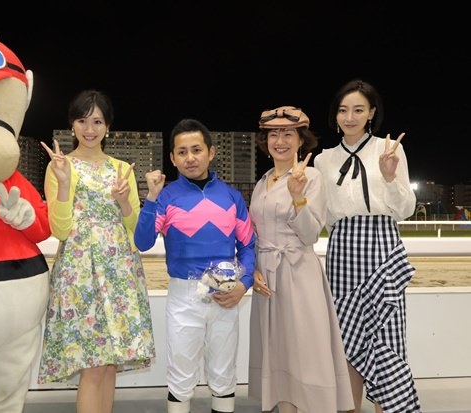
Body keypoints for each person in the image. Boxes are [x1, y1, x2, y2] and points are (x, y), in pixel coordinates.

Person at [37, 89, 156, 413]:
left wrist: (124, 202)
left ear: (108, 126)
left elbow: (135, 228)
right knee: (92, 362)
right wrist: (64, 184)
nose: (90, 129)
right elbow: (60, 230)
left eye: (98, 122)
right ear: (72, 125)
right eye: (82, 121)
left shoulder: (122, 168)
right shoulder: (60, 166)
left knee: (109, 362)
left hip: (120, 269)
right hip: (80, 272)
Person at [134, 118, 256, 413]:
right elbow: (143, 242)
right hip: (183, 295)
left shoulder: (232, 197)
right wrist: (151, 197)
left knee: (224, 373)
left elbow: (248, 246)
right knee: (181, 374)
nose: (190, 158)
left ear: (211, 152)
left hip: (225, 293)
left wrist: (243, 285)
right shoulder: (166, 197)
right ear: (173, 158)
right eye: (182, 152)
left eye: (196, 150)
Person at [313, 79, 421, 413]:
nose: (350, 117)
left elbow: (405, 210)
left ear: (371, 113)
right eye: (343, 110)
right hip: (343, 249)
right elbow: (323, 216)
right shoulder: (323, 160)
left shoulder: (389, 150)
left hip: (382, 244)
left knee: (388, 337)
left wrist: (388, 177)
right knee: (346, 340)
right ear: (335, 115)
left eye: (358, 110)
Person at [247, 106, 355, 413]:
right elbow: (255, 233)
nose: (280, 141)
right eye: (273, 134)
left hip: (298, 273)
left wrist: (298, 197)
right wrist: (253, 269)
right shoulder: (263, 181)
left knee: (305, 352)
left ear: (301, 140)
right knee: (277, 353)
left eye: (288, 134)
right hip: (267, 278)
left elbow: (309, 235)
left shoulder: (311, 177)